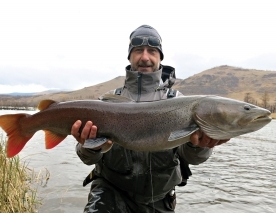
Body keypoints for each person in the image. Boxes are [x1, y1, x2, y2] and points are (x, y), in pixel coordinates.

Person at [71, 25, 230, 213]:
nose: (145, 57)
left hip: (159, 199)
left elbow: (192, 158)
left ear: (160, 57)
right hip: (110, 194)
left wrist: (199, 145)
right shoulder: (107, 102)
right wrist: (91, 146)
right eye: (138, 50)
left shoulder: (179, 102)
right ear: (129, 56)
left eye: (152, 51)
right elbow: (87, 158)